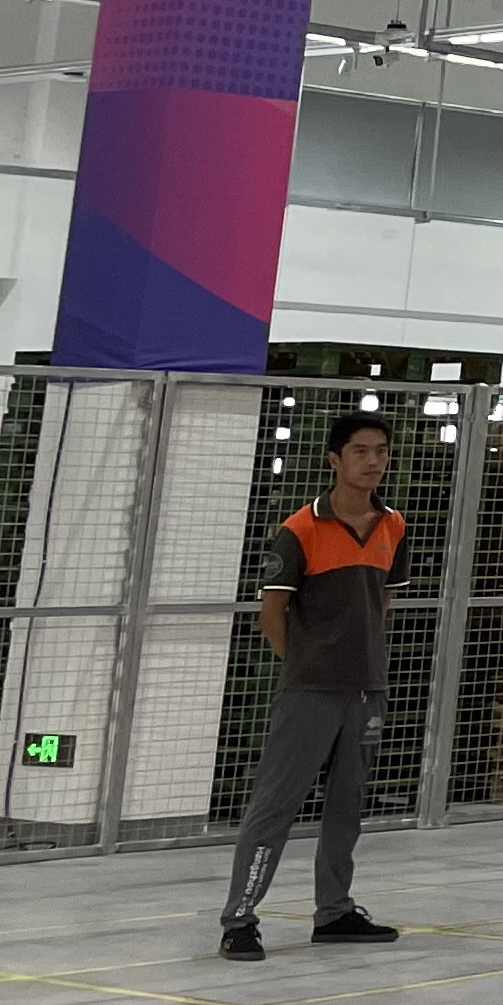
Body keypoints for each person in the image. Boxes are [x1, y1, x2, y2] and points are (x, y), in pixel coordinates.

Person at [217, 410, 409, 959]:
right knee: (275, 806)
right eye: (360, 451)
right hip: (310, 693)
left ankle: (335, 912)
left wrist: (362, 663)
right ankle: (239, 919)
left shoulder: (393, 525)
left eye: (381, 451)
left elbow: (381, 601)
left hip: (367, 691)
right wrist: (305, 665)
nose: (373, 461)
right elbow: (271, 614)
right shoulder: (300, 529)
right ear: (334, 459)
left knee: (347, 808)